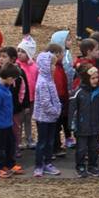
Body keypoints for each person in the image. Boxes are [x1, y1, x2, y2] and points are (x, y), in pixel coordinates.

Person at [32, 44, 64, 175]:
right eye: (52, 65)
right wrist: (55, 111)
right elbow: (45, 102)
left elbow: (55, 97)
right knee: (43, 142)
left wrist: (58, 108)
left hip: (52, 117)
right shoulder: (43, 82)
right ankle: (39, 165)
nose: (54, 68)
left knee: (50, 142)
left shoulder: (49, 80)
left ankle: (48, 163)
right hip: (44, 118)